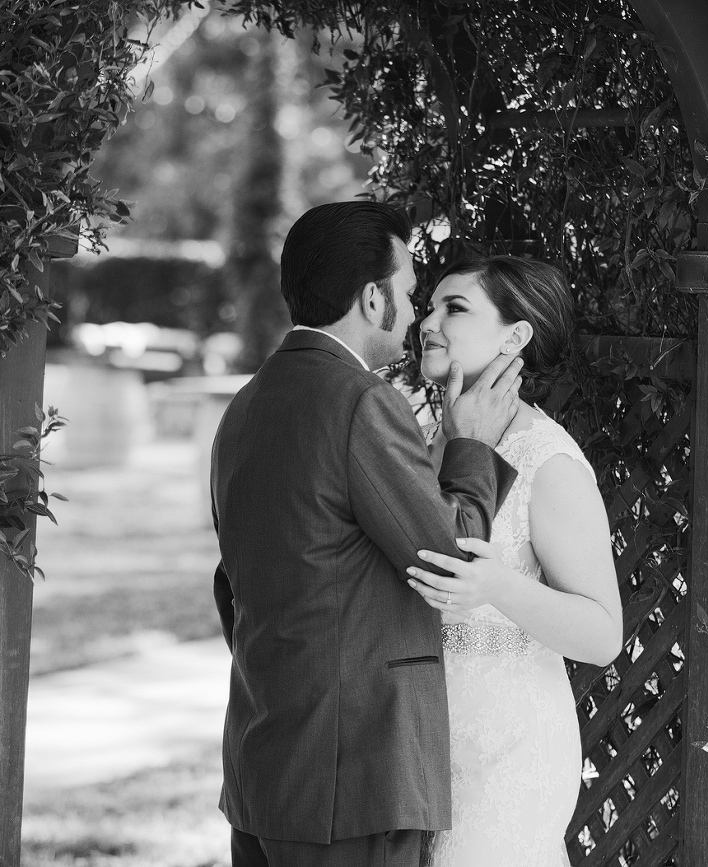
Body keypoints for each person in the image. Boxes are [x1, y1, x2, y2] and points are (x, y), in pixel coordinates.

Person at [210, 202, 526, 867]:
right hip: (353, 780)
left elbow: (231, 582)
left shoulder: (245, 404)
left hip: (262, 766)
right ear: (373, 298)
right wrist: (468, 444)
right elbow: (450, 557)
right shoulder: (358, 400)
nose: (415, 314)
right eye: (410, 292)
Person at [405, 255, 624, 866]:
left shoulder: (547, 462)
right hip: (415, 748)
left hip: (508, 751)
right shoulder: (425, 436)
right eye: (429, 306)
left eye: (455, 308)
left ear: (516, 336)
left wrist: (497, 584)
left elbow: (603, 633)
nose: (428, 321)